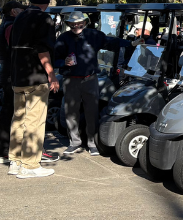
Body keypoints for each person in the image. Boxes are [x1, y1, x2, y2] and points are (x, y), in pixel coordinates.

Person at [54, 10, 129, 155]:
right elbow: (54, 58)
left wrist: (131, 42)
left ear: (85, 22)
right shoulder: (63, 38)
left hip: (90, 79)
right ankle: (74, 142)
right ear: (68, 24)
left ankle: (91, 143)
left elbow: (111, 42)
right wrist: (63, 62)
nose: (76, 26)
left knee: (92, 112)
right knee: (71, 113)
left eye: (79, 23)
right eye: (73, 24)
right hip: (71, 80)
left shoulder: (94, 35)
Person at [9, 0, 60, 178]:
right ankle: (30, 165)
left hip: (18, 73)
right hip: (35, 75)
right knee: (35, 120)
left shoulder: (20, 17)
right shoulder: (43, 18)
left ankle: (15, 160)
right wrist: (51, 74)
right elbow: (42, 49)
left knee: (18, 118)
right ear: (47, 3)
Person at [0, 0, 25, 163]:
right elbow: (15, 50)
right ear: (13, 11)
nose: (24, 11)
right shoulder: (11, 26)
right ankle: (5, 151)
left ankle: (3, 151)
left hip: (6, 72)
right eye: (21, 9)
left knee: (8, 113)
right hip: (11, 74)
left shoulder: (4, 25)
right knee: (11, 114)